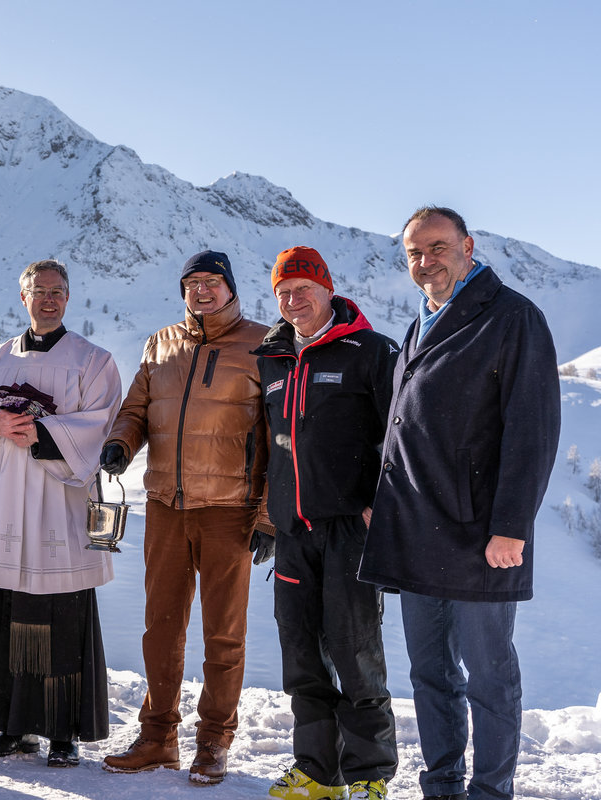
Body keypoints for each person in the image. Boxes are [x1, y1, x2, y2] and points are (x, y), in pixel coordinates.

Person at [360, 208, 560, 800]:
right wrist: (383, 500)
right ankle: (441, 785)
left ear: (467, 247)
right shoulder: (421, 322)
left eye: (438, 247)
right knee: (429, 674)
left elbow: (532, 431)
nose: (426, 261)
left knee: (490, 677)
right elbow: (405, 426)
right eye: (415, 253)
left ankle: (491, 792)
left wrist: (511, 528)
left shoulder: (512, 317)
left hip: (481, 537)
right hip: (418, 531)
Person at [101, 250, 271, 785]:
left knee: (223, 634)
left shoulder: (264, 343)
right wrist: (119, 445)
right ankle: (158, 738)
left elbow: (277, 438)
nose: (201, 291)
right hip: (166, 507)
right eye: (192, 283)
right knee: (162, 627)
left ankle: (214, 742)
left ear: (230, 288)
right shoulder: (160, 344)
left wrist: (267, 516)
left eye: (211, 282)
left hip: (229, 510)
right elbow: (135, 409)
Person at [0, 258, 123, 768]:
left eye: (58, 291)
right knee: (1, 612)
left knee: (59, 616)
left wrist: (43, 434)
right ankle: (12, 727)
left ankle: (62, 732)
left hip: (56, 504)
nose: (48, 299)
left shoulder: (93, 360)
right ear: (23, 297)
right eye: (38, 290)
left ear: (68, 298)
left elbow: (100, 422)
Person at [253, 247, 399, 800]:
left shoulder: (371, 351)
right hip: (294, 531)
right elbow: (266, 445)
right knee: (302, 658)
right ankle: (318, 773)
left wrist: (377, 506)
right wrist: (267, 517)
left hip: (349, 530)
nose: (293, 301)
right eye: (283, 292)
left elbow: (399, 437)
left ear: (328, 288)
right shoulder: (271, 357)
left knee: (355, 652)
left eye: (303, 289)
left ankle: (369, 777)